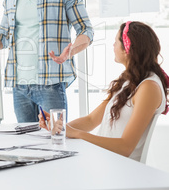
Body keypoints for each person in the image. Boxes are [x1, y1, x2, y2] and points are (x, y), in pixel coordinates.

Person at [39, 21, 169, 161]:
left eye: (115, 42)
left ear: (127, 49)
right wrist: (59, 127)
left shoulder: (149, 88)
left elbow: (125, 147)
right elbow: (91, 120)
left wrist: (76, 133)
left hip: (120, 170)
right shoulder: (128, 81)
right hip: (104, 161)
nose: (113, 46)